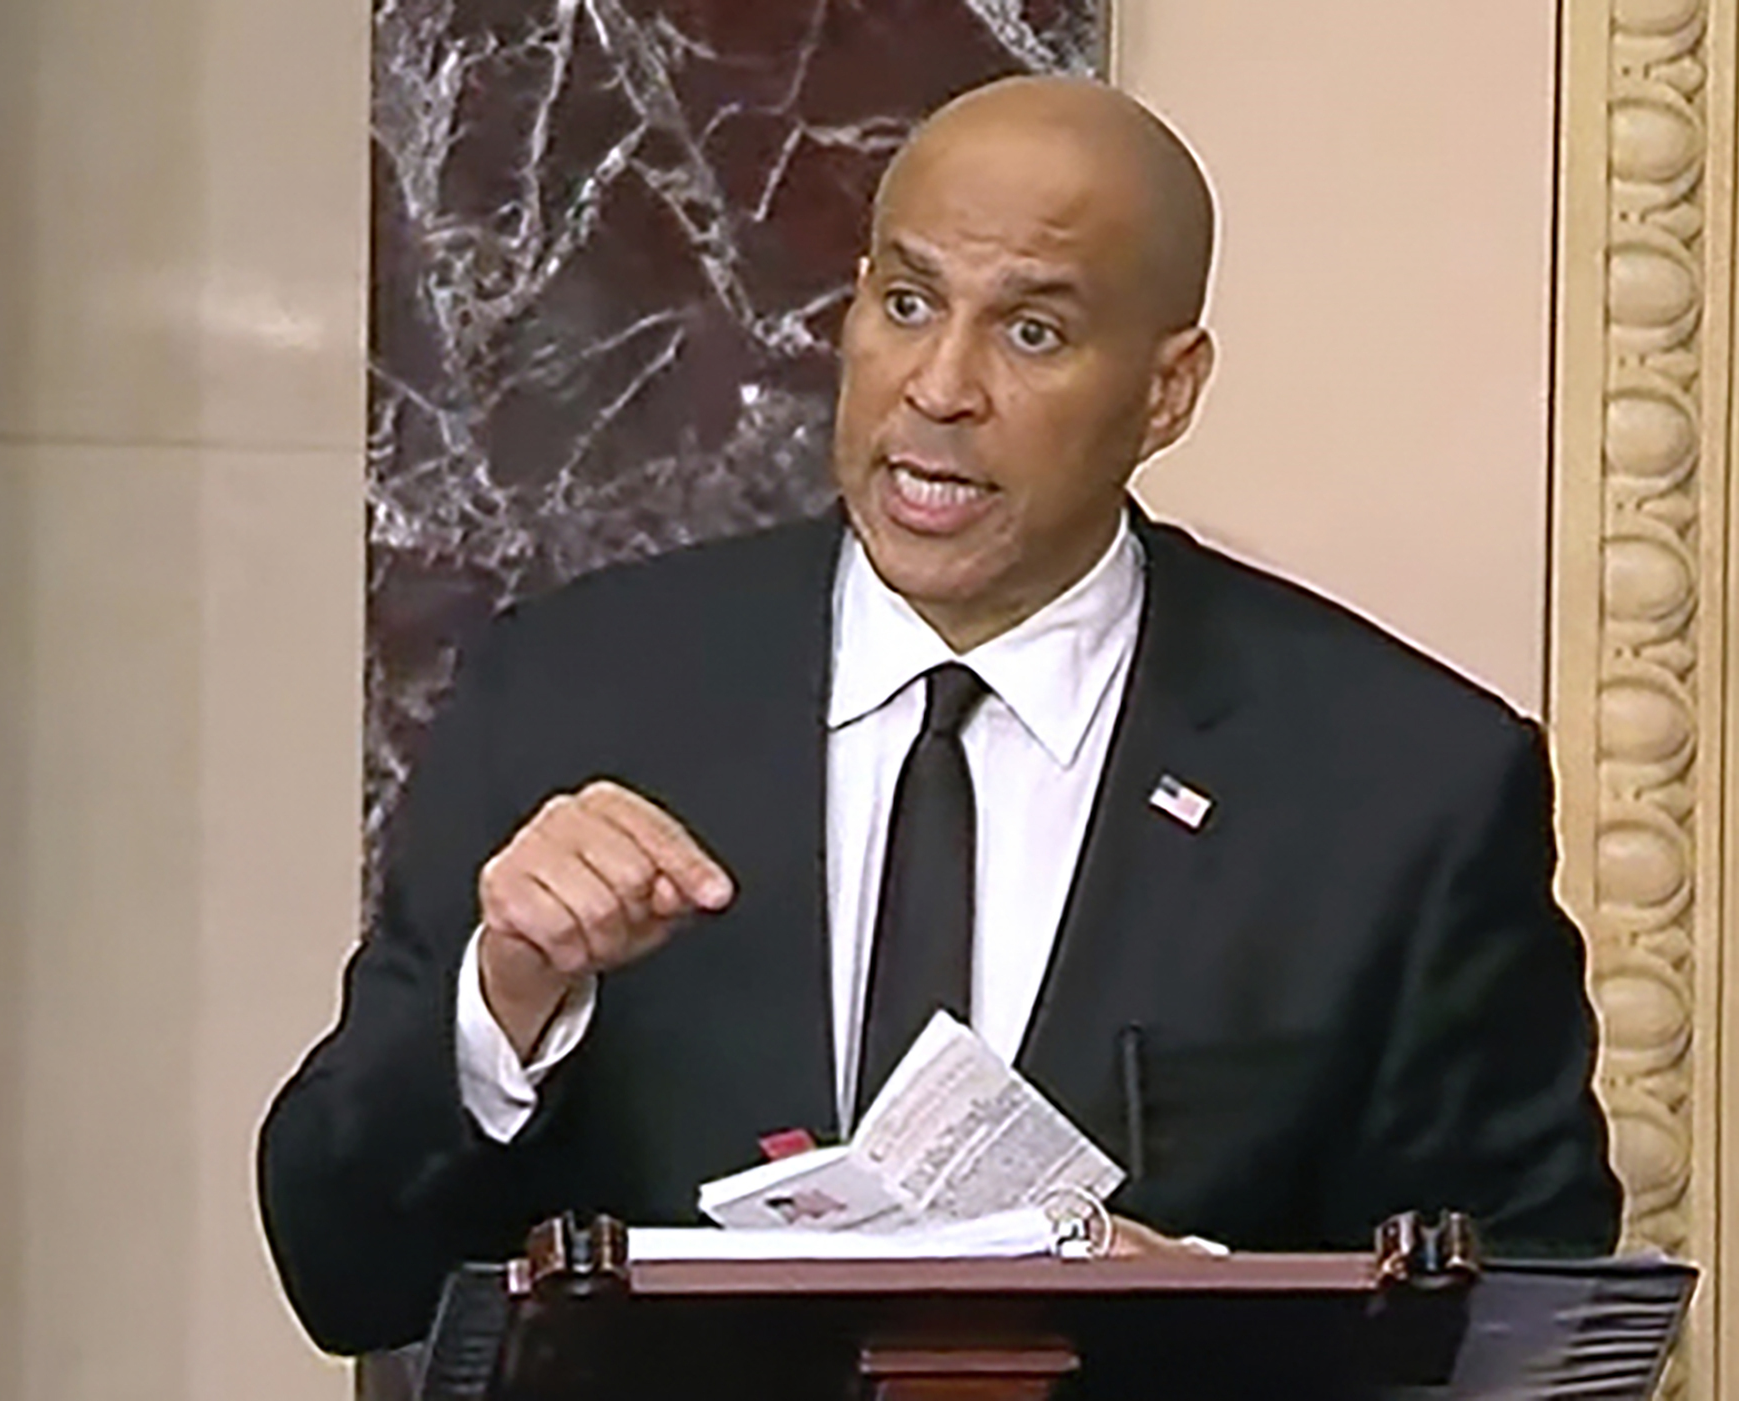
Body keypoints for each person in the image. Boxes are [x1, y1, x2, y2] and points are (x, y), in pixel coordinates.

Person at [258, 75, 1621, 1356]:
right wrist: (505, 1003)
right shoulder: (573, 693)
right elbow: (340, 1264)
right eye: (908, 303)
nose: (941, 387)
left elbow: (1531, 1329)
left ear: (1167, 389)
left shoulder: (1400, 785)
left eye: (1032, 331)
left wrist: (1210, 1318)